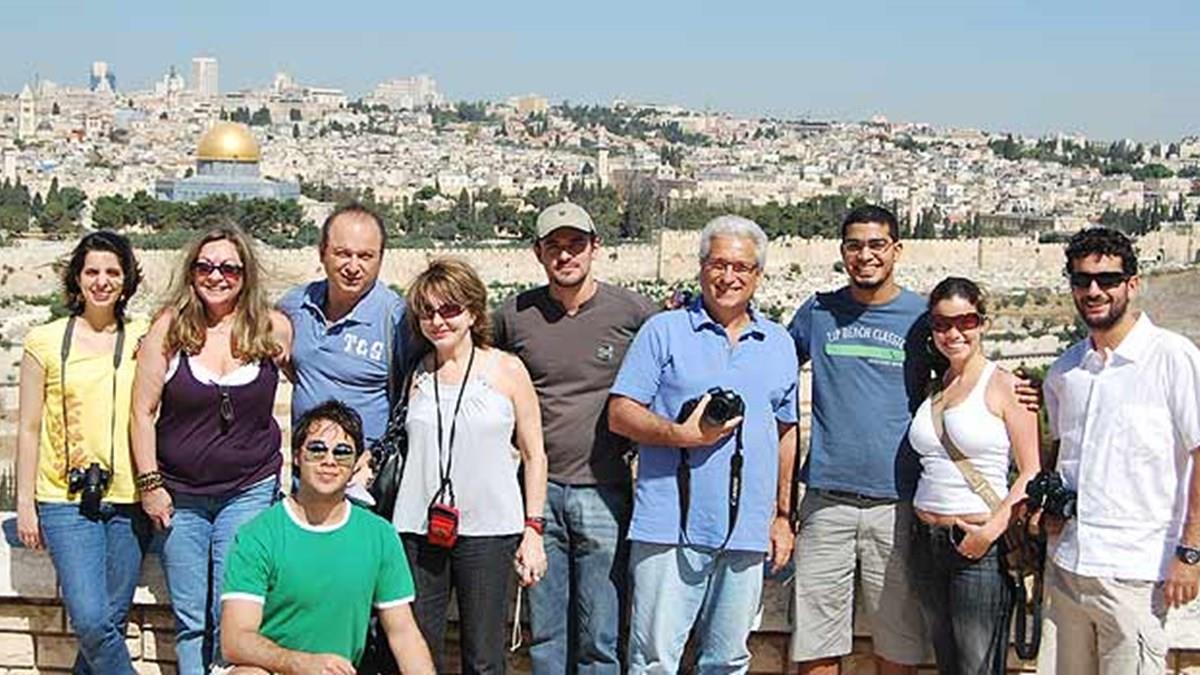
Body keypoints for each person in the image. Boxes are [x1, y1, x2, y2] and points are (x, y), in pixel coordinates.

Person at [609, 215, 799, 673]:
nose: (728, 276)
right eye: (718, 264)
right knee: (654, 660)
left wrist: (781, 515)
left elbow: (785, 432)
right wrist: (681, 435)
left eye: (741, 267)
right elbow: (620, 413)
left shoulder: (779, 342)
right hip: (668, 524)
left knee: (728, 660)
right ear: (701, 268)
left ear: (758, 275)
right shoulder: (664, 331)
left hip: (746, 528)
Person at [492, 201, 656, 673]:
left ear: (595, 247)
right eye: (554, 246)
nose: (565, 255)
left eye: (575, 244)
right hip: (536, 496)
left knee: (600, 636)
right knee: (546, 635)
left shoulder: (632, 312)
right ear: (538, 252)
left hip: (605, 490)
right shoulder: (514, 316)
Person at [131, 224, 293, 675]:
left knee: (233, 613)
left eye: (228, 268)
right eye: (205, 267)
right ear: (191, 272)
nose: (216, 276)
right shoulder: (169, 329)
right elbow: (142, 412)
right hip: (180, 496)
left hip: (248, 490)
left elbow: (312, 381)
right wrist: (150, 485)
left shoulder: (273, 329)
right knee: (189, 618)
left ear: (246, 274)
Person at [1042, 227, 1200, 675]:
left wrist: (1191, 553)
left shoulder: (1172, 357)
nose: (1094, 291)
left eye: (1107, 279)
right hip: (1068, 564)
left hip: (1136, 572)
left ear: (1132, 284)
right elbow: (1064, 454)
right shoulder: (1065, 371)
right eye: (1082, 280)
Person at [786, 204, 932, 674]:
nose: (865, 256)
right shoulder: (818, 312)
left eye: (876, 245)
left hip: (897, 503)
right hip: (826, 501)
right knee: (815, 643)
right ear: (842, 251)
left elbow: (965, 377)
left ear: (897, 250)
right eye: (854, 246)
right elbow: (772, 371)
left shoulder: (921, 318)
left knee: (898, 644)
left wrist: (1017, 390)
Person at [392, 257, 549, 673]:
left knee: (484, 657)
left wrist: (533, 529)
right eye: (427, 311)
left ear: (474, 312)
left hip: (490, 531)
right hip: (418, 529)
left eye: (449, 309)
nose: (438, 321)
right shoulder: (416, 374)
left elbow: (534, 453)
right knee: (418, 653)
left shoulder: (507, 369)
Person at [15, 232, 150, 675]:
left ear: (127, 280)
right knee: (91, 620)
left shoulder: (145, 335)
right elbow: (29, 427)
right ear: (77, 277)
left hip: (129, 498)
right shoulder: (44, 341)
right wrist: (25, 504)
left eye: (112, 272)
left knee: (110, 621)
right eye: (92, 271)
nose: (102, 281)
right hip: (64, 498)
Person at [220, 400, 435, 675]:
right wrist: (301, 664)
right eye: (317, 449)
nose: (329, 460)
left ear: (356, 463)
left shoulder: (379, 535)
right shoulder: (258, 535)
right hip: (275, 669)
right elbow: (235, 640)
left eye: (342, 452)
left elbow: (403, 634)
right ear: (297, 456)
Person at [906, 277, 1039, 674]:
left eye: (965, 321)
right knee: (948, 664)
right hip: (926, 544)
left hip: (979, 545)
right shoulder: (935, 386)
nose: (953, 333)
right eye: (942, 324)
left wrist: (987, 535)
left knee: (978, 667)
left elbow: (1031, 471)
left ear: (983, 323)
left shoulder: (1007, 386)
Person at [278, 203, 407, 493]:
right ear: (322, 253)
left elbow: (412, 399)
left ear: (380, 259)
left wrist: (374, 457)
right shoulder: (295, 305)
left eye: (365, 256)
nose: (353, 267)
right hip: (306, 481)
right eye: (342, 253)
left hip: (365, 484)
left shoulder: (397, 320)